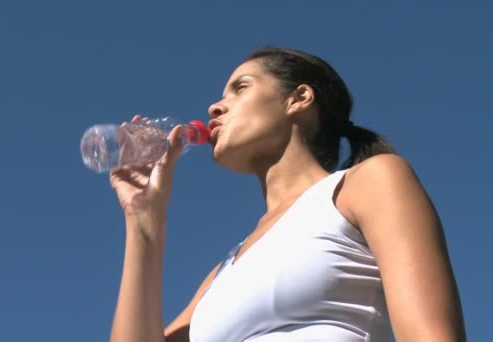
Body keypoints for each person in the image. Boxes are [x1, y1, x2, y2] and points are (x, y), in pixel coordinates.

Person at [108, 47, 466, 341]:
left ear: (299, 98)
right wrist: (143, 219)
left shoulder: (368, 182)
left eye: (240, 88)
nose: (214, 108)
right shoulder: (223, 273)